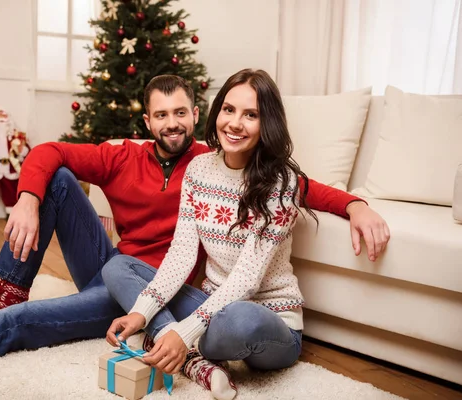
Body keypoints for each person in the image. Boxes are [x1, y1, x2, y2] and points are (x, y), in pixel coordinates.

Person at [0, 75, 389, 379]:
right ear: (147, 122)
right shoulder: (136, 158)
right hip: (124, 277)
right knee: (66, 189)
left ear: (195, 113)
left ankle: (172, 343)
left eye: (181, 112)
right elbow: (49, 152)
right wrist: (25, 198)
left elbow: (301, 188)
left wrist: (355, 205)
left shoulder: (221, 158)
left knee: (23, 327)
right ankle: (9, 289)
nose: (173, 124)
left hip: (173, 294)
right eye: (161, 116)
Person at [101, 69, 379, 400]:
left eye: (251, 115)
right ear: (216, 111)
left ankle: (172, 340)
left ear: (268, 124)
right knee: (117, 267)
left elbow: (247, 280)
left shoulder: (281, 183)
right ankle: (192, 361)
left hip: (266, 320)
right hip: (210, 303)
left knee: (238, 320)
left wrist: (186, 330)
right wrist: (141, 310)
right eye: (229, 110)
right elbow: (182, 254)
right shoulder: (198, 170)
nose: (235, 123)